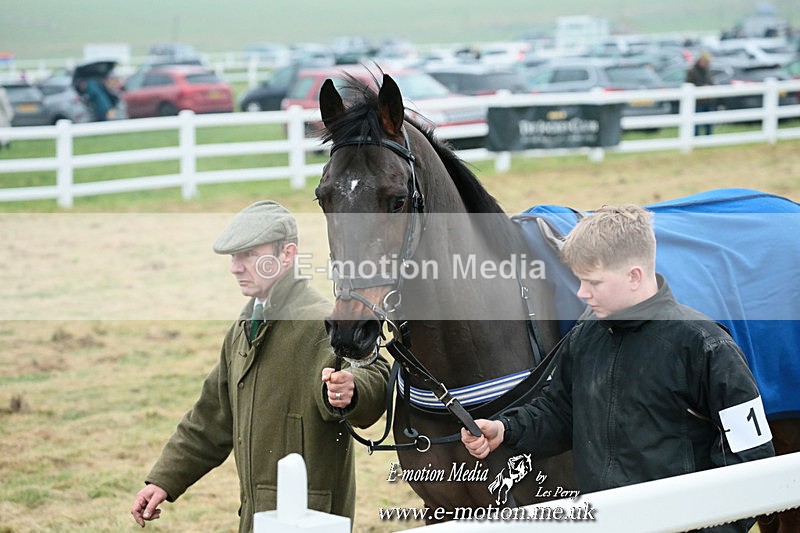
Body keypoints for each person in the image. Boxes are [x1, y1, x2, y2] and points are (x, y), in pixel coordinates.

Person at [461, 205, 775, 533]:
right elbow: (561, 413)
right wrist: (505, 429)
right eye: (579, 280)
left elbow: (751, 456)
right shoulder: (584, 335)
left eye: (593, 282)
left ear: (634, 276)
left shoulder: (705, 346)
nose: (582, 293)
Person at [131, 200, 390, 532]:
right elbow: (211, 417)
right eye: (233, 257)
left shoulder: (321, 320)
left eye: (248, 255)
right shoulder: (242, 328)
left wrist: (352, 390)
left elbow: (373, 370)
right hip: (256, 518)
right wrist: (163, 481)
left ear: (287, 255)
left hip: (311, 519)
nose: (235, 268)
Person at [686, 51, 716, 135]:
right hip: (698, 102)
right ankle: (695, 139)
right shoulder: (692, 71)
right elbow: (688, 83)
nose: (707, 63)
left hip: (708, 100)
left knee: (709, 123)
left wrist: (711, 86)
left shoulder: (708, 70)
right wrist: (701, 87)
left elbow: (712, 82)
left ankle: (708, 139)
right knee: (696, 123)